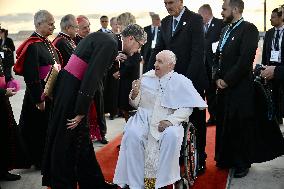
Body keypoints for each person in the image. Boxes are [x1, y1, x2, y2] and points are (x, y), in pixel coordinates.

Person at [41, 24, 147, 189]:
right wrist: (81, 111)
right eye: (139, 45)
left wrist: (113, 58)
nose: (137, 50)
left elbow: (89, 61)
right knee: (67, 140)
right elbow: (92, 76)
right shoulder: (110, 44)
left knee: (82, 140)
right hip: (73, 91)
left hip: (70, 86)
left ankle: (93, 182)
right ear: (131, 38)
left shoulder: (108, 39)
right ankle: (63, 183)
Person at [113, 50, 207, 189]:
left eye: (160, 62)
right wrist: (134, 93)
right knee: (132, 134)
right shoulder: (146, 77)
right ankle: (136, 182)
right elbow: (135, 104)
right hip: (144, 118)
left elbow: (187, 108)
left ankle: (162, 182)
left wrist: (170, 121)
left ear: (170, 65)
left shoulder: (181, 81)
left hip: (168, 120)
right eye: (156, 60)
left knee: (171, 136)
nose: (155, 64)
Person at [147, 0, 209, 174]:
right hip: (170, 83)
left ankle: (199, 158)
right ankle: (181, 156)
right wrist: (147, 75)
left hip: (192, 82)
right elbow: (158, 50)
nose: (168, 6)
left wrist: (184, 83)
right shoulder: (166, 22)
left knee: (196, 120)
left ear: (181, 1)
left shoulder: (195, 19)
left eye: (171, 2)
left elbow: (198, 53)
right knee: (175, 120)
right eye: (165, 3)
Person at [213, 0, 260, 178]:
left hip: (239, 88)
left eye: (224, 9)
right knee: (225, 124)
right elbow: (217, 56)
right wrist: (216, 77)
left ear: (235, 9)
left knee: (239, 125)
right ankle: (225, 159)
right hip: (223, 88)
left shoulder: (249, 29)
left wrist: (227, 80)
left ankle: (242, 163)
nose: (222, 12)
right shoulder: (225, 30)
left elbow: (245, 60)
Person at [14, 10, 61, 170]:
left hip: (50, 94)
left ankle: (46, 157)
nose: (53, 26)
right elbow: (32, 75)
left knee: (46, 128)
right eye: (50, 23)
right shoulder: (33, 45)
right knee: (37, 130)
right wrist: (39, 99)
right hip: (38, 95)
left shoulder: (47, 44)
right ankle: (38, 160)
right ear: (39, 24)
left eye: (53, 23)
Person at [198, 4, 224, 126]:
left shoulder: (220, 24)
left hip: (216, 65)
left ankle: (220, 115)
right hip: (203, 66)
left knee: (217, 92)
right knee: (209, 92)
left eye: (200, 14)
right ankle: (213, 116)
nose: (199, 17)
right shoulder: (200, 26)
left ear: (207, 13)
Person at [114, 12, 142, 122]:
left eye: (119, 24)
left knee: (128, 107)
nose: (118, 27)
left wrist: (121, 72)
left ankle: (131, 132)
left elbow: (135, 60)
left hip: (130, 78)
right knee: (125, 107)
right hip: (126, 76)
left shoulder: (134, 38)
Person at [261, 8, 284, 124]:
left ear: (281, 18)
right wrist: (264, 68)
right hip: (270, 69)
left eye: (274, 17)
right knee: (273, 97)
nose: (271, 19)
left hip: (282, 68)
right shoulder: (269, 33)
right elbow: (265, 53)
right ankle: (276, 120)